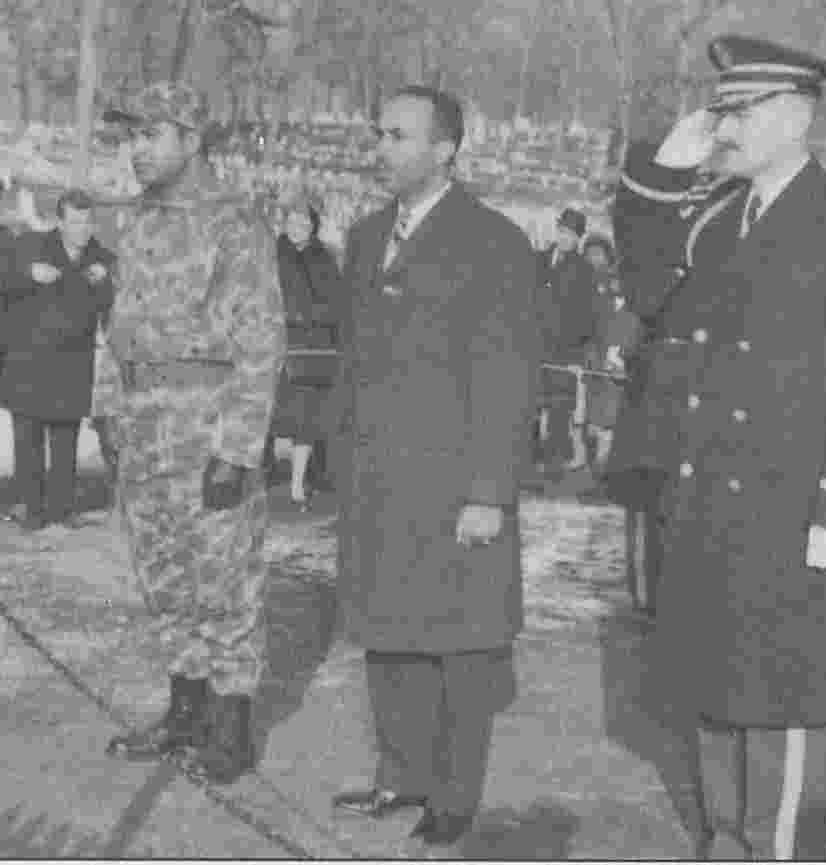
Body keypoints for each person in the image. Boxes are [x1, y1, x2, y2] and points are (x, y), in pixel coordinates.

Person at [606, 36, 826, 859]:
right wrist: (661, 176)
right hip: (706, 503)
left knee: (783, 705)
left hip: (792, 514)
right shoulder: (713, 218)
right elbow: (644, 282)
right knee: (714, 691)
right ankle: (725, 846)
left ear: (791, 116)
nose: (719, 127)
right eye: (719, 108)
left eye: (734, 111)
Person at [326, 85, 538, 848]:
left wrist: (489, 490)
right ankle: (402, 771)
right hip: (379, 479)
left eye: (398, 135)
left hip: (453, 485)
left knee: (459, 644)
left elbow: (508, 376)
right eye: (379, 133)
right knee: (386, 630)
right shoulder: (365, 234)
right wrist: (336, 448)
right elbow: (353, 357)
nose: (381, 148)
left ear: (445, 148)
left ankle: (454, 794)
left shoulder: (494, 242)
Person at [95, 82, 286, 784]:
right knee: (165, 575)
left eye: (150, 135)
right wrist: (109, 406)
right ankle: (185, 710)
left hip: (206, 421)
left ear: (191, 139)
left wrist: (237, 447)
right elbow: (116, 325)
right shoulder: (138, 220)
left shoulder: (234, 221)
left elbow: (262, 339)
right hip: (145, 425)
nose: (135, 150)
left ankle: (230, 725)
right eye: (129, 138)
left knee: (226, 579)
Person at [0, 189, 115, 531]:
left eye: (87, 222)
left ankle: (63, 509)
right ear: (60, 221)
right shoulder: (30, 248)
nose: (82, 228)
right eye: (75, 221)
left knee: (66, 439)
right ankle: (31, 510)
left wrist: (106, 280)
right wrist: (26, 276)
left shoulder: (102, 258)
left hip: (72, 362)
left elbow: (116, 300)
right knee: (28, 439)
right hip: (28, 361)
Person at [267, 191, 343, 510]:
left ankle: (298, 483)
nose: (296, 226)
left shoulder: (324, 258)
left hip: (313, 351)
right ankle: (266, 475)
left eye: (303, 221)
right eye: (291, 220)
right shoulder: (271, 255)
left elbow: (337, 303)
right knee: (269, 416)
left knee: (307, 421)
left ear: (312, 226)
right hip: (275, 346)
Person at [535, 207, 597, 472]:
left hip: (565, 348)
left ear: (578, 239)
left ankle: (562, 457)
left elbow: (587, 314)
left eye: (571, 235)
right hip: (536, 343)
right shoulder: (539, 258)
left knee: (562, 404)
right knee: (535, 402)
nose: (565, 238)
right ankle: (534, 454)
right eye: (562, 232)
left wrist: (572, 341)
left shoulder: (583, 270)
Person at [581, 234, 641, 470]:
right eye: (614, 279)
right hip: (599, 369)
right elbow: (593, 335)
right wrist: (592, 360)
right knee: (595, 417)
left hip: (621, 370)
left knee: (614, 418)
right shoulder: (601, 305)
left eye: (622, 280)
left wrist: (626, 360)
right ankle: (595, 462)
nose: (617, 284)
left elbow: (637, 338)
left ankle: (609, 463)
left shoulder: (636, 311)